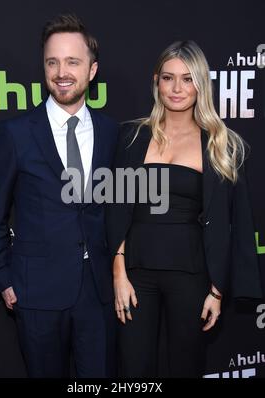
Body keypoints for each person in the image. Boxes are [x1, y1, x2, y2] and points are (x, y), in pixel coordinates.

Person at [106, 40, 263, 378]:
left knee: (186, 368)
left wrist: (217, 292)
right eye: (168, 78)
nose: (177, 88)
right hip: (136, 274)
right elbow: (116, 209)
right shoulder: (131, 138)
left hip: (191, 277)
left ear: (201, 85)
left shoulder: (222, 144)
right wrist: (118, 273)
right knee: (133, 370)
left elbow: (237, 222)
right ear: (156, 82)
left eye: (188, 79)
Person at [0, 14, 118, 378]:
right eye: (52, 62)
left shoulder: (111, 132)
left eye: (73, 61)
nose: (61, 72)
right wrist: (4, 279)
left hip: (98, 292)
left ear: (92, 70)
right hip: (36, 292)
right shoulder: (14, 134)